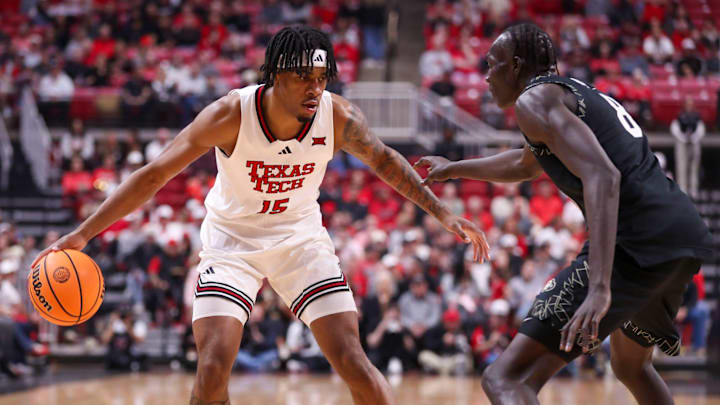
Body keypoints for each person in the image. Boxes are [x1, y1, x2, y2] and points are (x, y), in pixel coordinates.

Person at [32, 26, 489, 405]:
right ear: (273, 75)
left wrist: (443, 213)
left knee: (352, 358)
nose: (314, 87)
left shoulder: (339, 116)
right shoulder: (231, 114)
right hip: (232, 241)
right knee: (212, 368)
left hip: (300, 239)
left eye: (321, 76)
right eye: (302, 76)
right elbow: (154, 175)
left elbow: (388, 161)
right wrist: (83, 234)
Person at [415, 23, 713, 405]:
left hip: (638, 240)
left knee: (507, 379)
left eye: (492, 65)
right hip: (679, 235)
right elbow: (525, 164)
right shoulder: (567, 94)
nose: (486, 76)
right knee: (630, 366)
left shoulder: (533, 101)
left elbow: (604, 177)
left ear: (516, 66)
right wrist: (454, 167)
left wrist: (601, 287)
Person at [670, 97, 705, 199]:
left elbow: (701, 128)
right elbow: (674, 128)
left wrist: (694, 137)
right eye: (687, 104)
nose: (689, 106)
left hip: (694, 141)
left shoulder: (697, 115)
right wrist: (683, 138)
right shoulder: (680, 115)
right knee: (681, 165)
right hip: (682, 141)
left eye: (691, 104)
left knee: (694, 166)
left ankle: (693, 190)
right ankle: (683, 189)